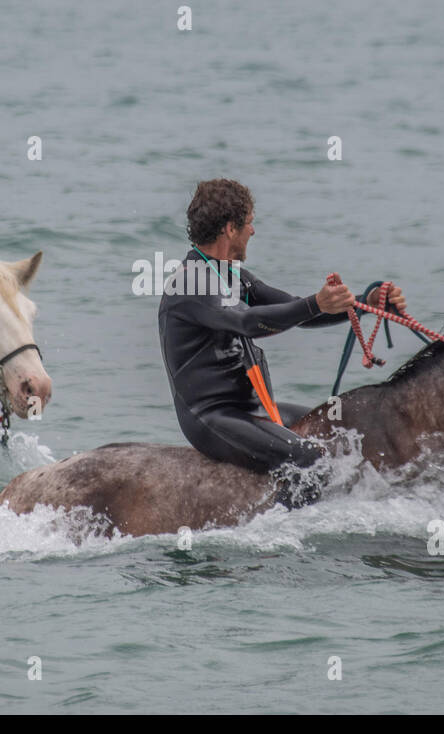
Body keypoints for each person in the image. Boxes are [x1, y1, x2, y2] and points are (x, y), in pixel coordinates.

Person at [159, 179, 405, 507]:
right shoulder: (189, 283)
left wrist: (367, 302)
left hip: (252, 406)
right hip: (213, 416)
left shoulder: (231, 276)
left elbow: (295, 308)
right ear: (230, 229)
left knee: (344, 431)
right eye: (249, 223)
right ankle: (279, 536)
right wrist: (315, 304)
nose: (253, 231)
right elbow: (248, 323)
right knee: (312, 461)